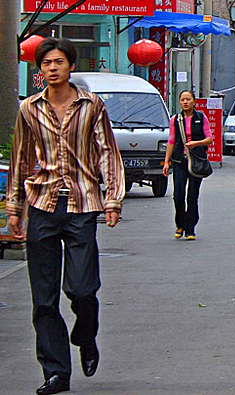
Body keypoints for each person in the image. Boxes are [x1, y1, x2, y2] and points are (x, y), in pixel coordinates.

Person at [7, 38, 125, 395]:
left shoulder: (91, 106)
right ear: (39, 70)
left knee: (81, 288)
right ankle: (56, 372)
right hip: (42, 204)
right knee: (44, 297)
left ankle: (86, 333)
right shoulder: (29, 109)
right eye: (46, 63)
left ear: (70, 66)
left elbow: (107, 150)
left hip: (83, 205)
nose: (52, 68)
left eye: (59, 61)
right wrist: (14, 207)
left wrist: (113, 199)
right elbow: (20, 158)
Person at [162, 89, 214, 241]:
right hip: (179, 161)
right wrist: (166, 161)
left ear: (194, 102)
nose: (185, 102)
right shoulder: (175, 120)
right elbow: (171, 141)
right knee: (178, 195)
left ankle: (190, 228)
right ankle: (180, 224)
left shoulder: (201, 117)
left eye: (188, 99)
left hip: (196, 161)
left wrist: (196, 143)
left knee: (192, 195)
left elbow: (209, 139)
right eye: (182, 99)